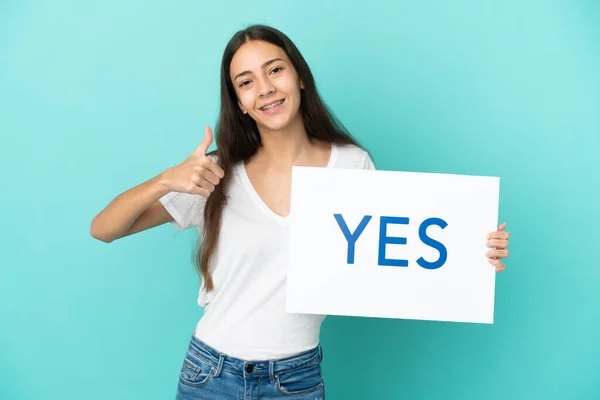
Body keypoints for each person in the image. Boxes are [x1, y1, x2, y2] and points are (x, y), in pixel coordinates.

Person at [90, 24, 511, 400]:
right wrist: (166, 179)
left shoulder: (351, 164)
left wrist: (471, 250)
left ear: (299, 77)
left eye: (275, 70)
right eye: (246, 82)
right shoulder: (214, 174)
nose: (266, 88)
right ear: (239, 102)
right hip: (209, 375)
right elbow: (103, 229)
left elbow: (394, 251)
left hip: (296, 379)